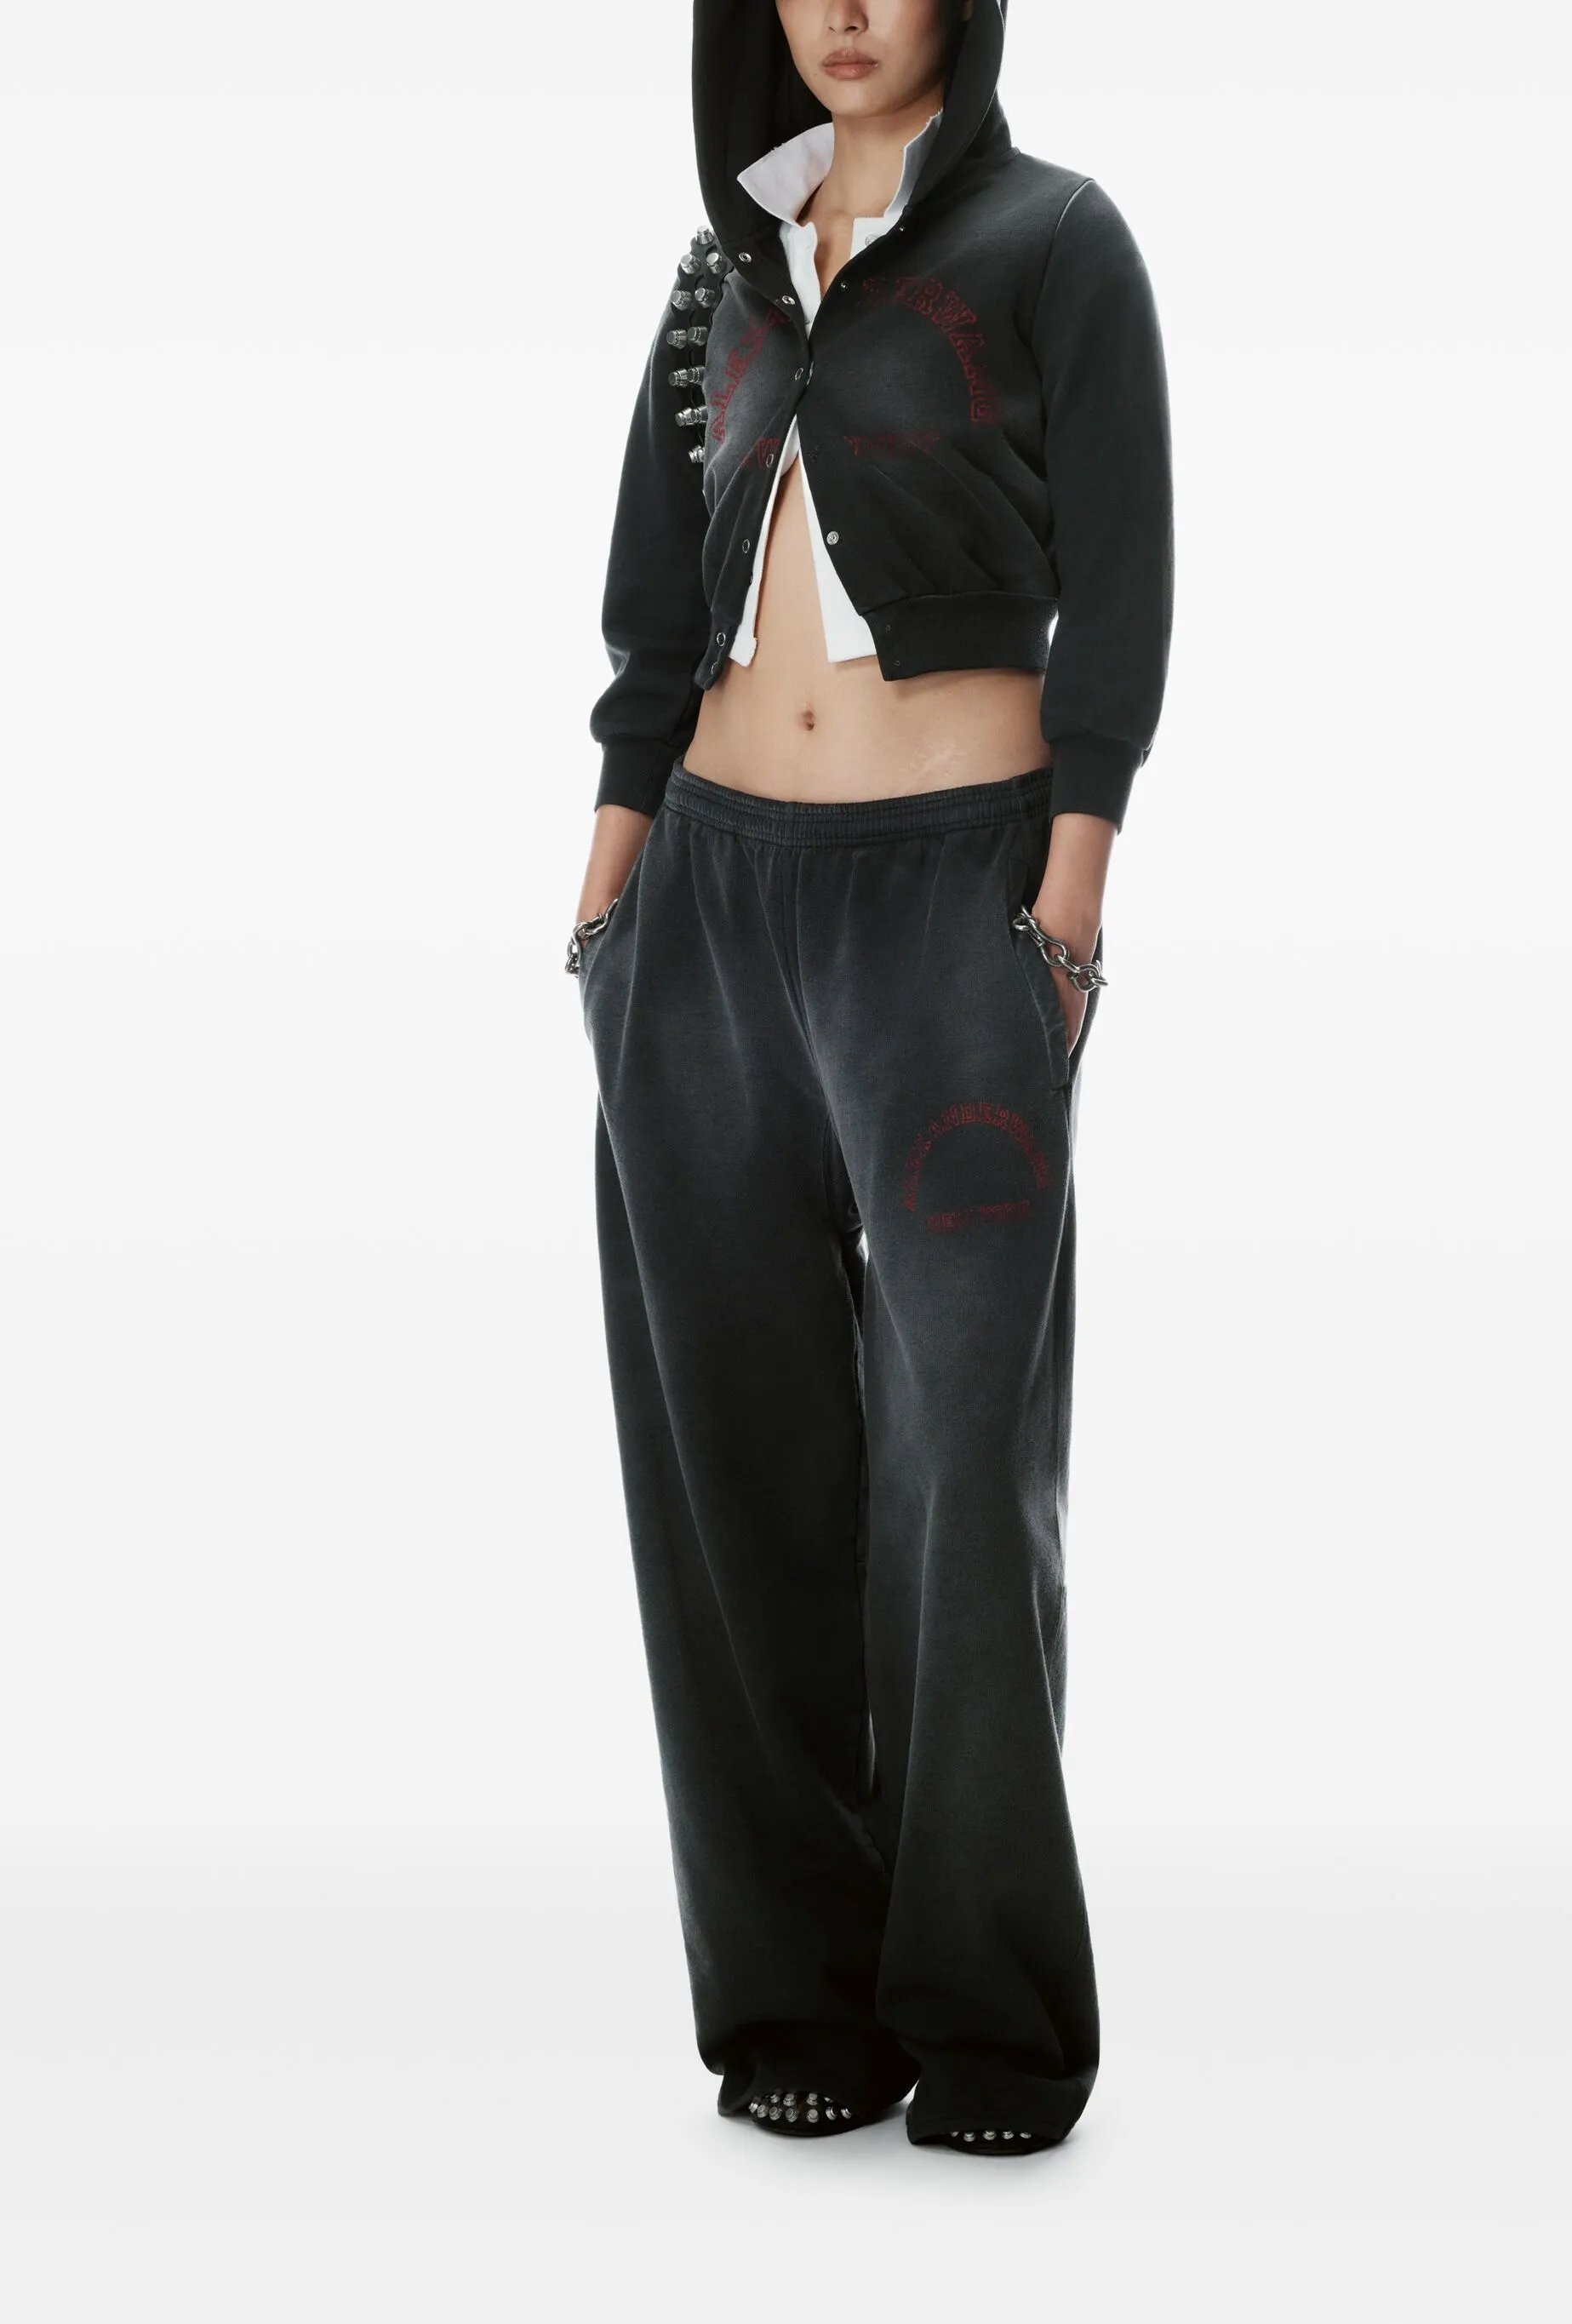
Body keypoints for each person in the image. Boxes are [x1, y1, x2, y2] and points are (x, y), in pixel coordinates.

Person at [569, 0, 1171, 2155]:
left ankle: (992, 2019)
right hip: (703, 913)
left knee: (957, 1475)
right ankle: (795, 2001)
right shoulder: (720, 269)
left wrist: (1065, 904)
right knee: (728, 1475)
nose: (842, 10)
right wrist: (609, 901)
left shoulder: (1054, 242)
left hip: (951, 910)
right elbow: (655, 610)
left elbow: (1124, 591)